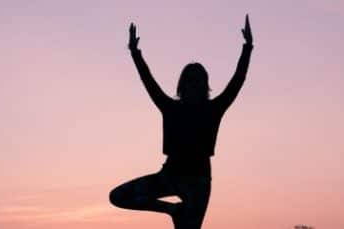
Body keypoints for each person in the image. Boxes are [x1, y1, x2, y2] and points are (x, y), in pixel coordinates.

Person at [109, 15, 254, 229]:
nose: (194, 85)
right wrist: (135, 53)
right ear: (182, 85)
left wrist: (247, 47)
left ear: (205, 85)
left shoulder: (213, 109)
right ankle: (173, 210)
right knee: (119, 196)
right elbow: (148, 81)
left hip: (198, 183)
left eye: (199, 81)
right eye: (190, 80)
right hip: (169, 176)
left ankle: (179, 214)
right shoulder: (170, 107)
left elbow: (237, 81)